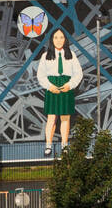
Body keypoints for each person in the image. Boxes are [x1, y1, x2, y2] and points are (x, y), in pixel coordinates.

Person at [36, 27, 84, 157]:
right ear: (52, 39)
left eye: (61, 37)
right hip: (52, 87)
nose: (59, 40)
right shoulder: (45, 56)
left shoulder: (71, 55)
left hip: (66, 87)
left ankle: (64, 146)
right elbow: (40, 75)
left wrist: (70, 85)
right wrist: (49, 86)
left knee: (65, 118)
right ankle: (48, 146)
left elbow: (78, 73)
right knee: (51, 118)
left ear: (65, 39)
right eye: (56, 37)